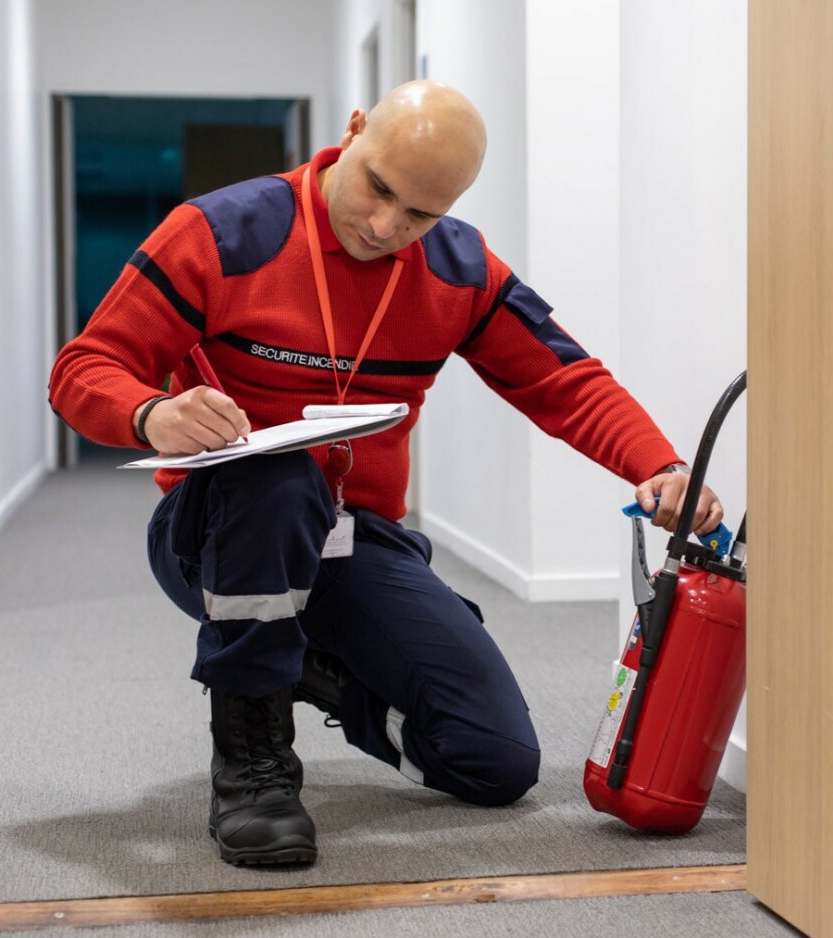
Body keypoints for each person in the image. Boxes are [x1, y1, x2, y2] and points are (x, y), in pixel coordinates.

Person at [48, 80, 723, 868]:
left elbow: (563, 381)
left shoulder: (459, 269)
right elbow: (83, 368)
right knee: (279, 470)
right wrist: (148, 414)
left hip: (352, 537)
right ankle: (252, 767)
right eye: (379, 189)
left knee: (493, 761)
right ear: (355, 129)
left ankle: (296, 658)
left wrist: (664, 465)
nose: (385, 226)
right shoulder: (220, 233)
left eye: (419, 215)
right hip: (221, 533)